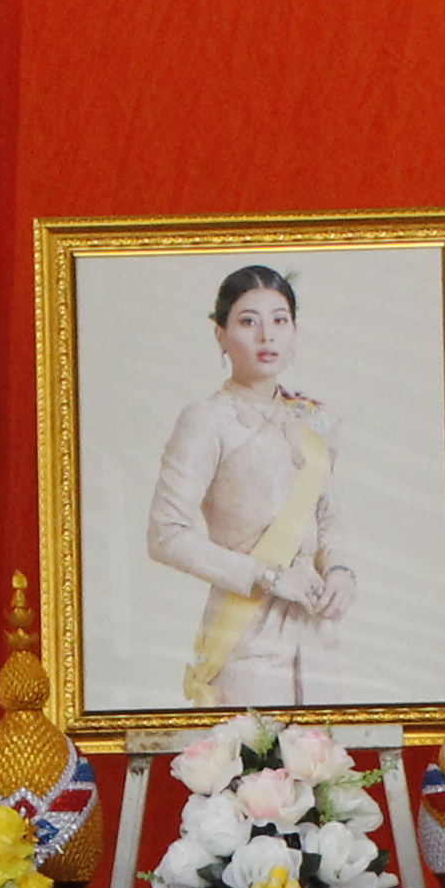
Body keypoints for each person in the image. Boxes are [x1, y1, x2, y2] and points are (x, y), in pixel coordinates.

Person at [144, 262, 355, 713]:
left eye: (280, 320)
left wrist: (340, 570)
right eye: (247, 321)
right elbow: (166, 535)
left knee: (327, 770)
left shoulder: (313, 419)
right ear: (220, 333)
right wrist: (267, 576)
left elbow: (327, 515)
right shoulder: (206, 420)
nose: (267, 337)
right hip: (245, 630)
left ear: (295, 330)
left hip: (318, 630)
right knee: (256, 773)